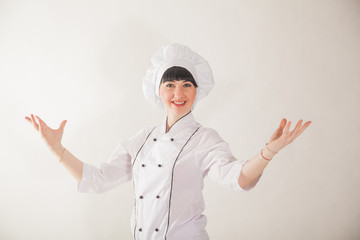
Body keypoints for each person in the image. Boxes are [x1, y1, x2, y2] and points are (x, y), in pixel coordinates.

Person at [25, 43, 311, 240]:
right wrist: (58, 150)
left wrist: (269, 151)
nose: (179, 92)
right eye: (170, 84)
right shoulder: (139, 141)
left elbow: (237, 178)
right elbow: (98, 180)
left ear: (197, 91)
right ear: (158, 90)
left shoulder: (205, 140)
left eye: (187, 84)